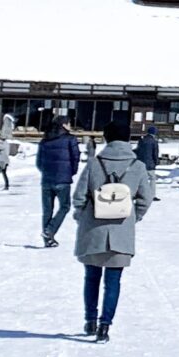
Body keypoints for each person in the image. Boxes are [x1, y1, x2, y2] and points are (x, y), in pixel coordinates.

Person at [72, 126, 155, 341]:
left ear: (105, 138)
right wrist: (133, 217)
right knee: (113, 281)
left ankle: (90, 320)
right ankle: (105, 326)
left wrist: (83, 216)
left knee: (91, 277)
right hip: (121, 231)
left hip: (93, 229)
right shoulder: (138, 166)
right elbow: (146, 199)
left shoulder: (93, 164)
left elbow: (79, 196)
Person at [35, 117, 80, 247]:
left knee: (47, 210)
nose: (71, 125)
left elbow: (39, 162)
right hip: (63, 180)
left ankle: (47, 239)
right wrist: (71, 171)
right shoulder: (70, 139)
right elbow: (75, 158)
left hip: (47, 180)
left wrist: (46, 171)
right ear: (64, 125)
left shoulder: (45, 140)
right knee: (65, 207)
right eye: (69, 123)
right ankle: (49, 231)